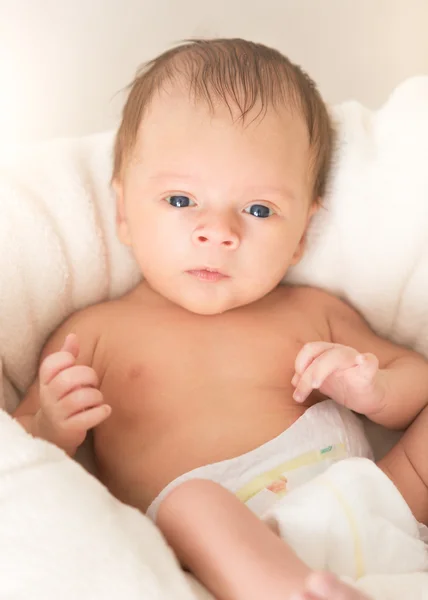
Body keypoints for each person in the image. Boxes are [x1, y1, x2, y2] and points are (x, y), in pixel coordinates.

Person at [13, 39, 428, 600]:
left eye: (258, 210)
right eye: (181, 200)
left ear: (302, 233)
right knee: (194, 504)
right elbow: (18, 457)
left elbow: (415, 381)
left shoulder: (313, 310)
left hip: (369, 503)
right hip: (222, 548)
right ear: (122, 212)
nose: (218, 231)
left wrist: (372, 386)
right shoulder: (93, 333)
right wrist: (52, 428)